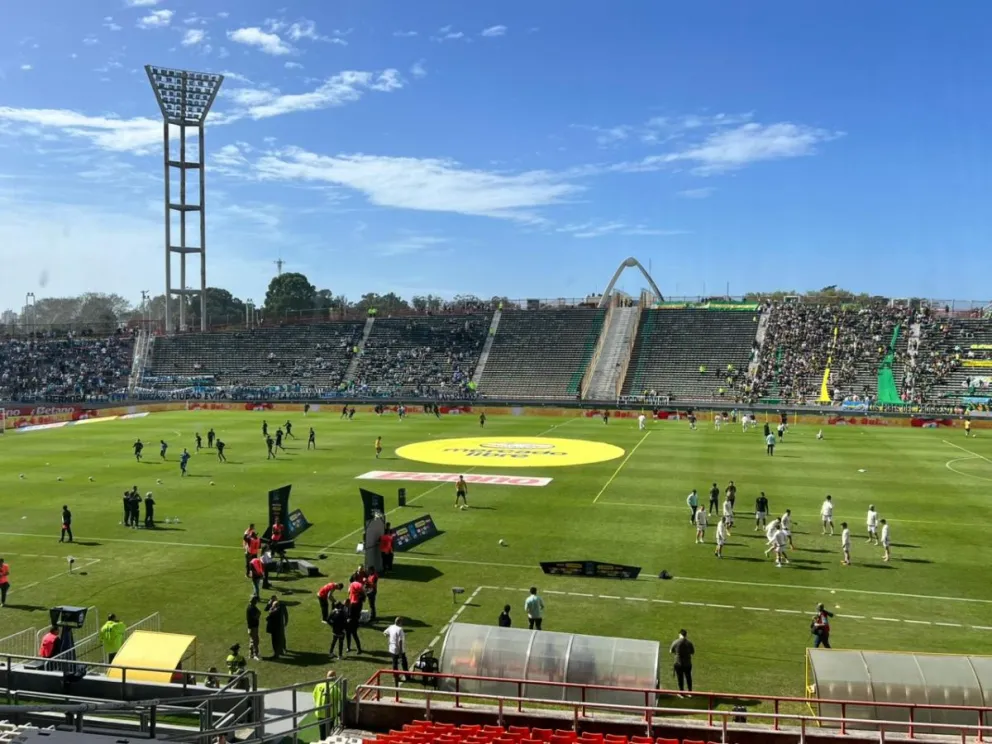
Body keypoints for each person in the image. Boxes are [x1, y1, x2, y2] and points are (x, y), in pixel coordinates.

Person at [313, 671, 340, 740]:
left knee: (322, 733)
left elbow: (314, 696)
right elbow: (342, 697)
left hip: (320, 713)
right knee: (329, 734)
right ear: (334, 677)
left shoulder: (318, 685)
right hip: (330, 714)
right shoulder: (334, 687)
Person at [669, 629, 694, 696]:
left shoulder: (676, 642)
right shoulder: (689, 643)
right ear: (686, 635)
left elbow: (671, 651)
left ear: (680, 634)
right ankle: (690, 692)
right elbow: (692, 652)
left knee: (680, 678)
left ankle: (681, 693)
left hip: (678, 663)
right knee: (688, 678)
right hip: (687, 663)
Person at [246, 597, 262, 661]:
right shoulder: (251, 608)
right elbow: (256, 617)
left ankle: (251, 654)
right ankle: (255, 655)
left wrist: (258, 613)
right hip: (253, 627)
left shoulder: (252, 607)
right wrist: (258, 614)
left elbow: (258, 612)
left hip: (252, 627)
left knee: (253, 640)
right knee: (255, 641)